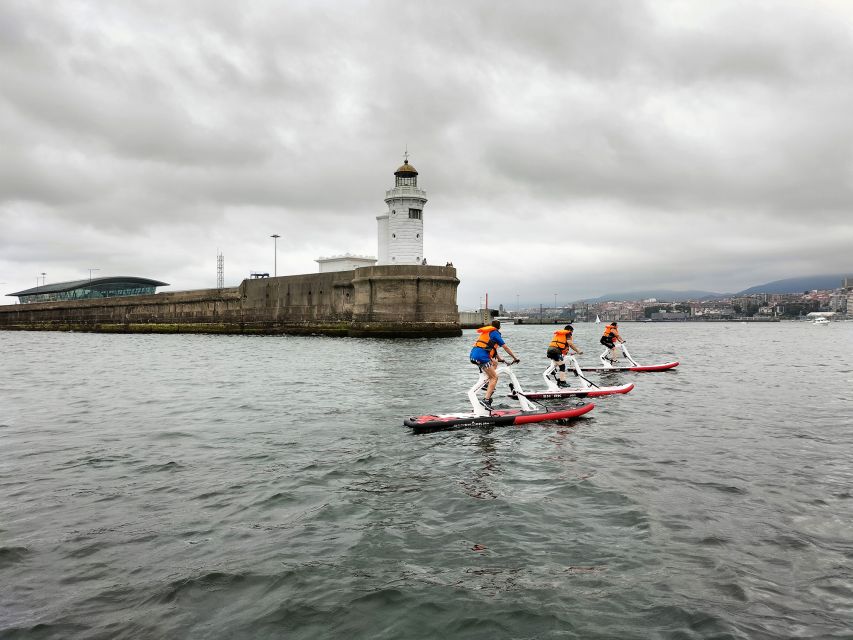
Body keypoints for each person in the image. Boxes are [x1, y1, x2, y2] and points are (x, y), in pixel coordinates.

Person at [469, 320, 519, 409]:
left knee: (495, 363)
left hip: (473, 355)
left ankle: (487, 384)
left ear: (491, 325)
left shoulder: (487, 333)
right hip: (482, 357)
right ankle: (486, 400)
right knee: (494, 377)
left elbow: (493, 351)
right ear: (499, 327)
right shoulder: (495, 333)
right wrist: (515, 358)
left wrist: (502, 360)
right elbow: (505, 347)